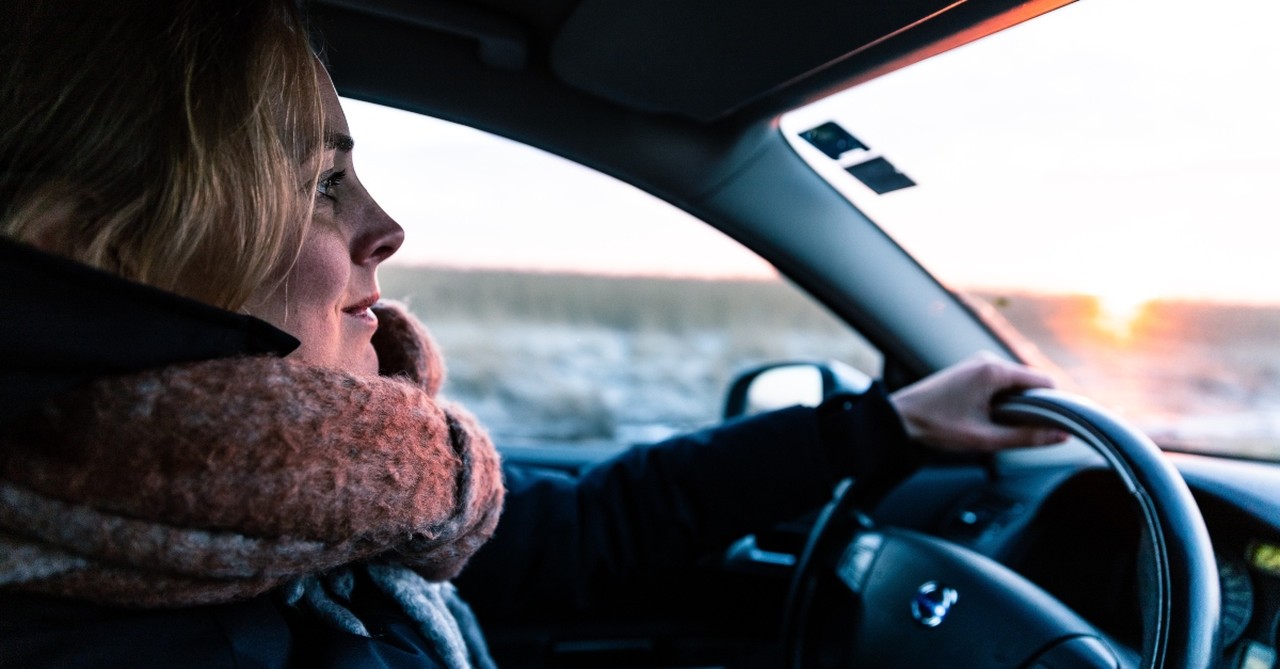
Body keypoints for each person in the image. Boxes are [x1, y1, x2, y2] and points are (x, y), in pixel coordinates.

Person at [0, 1, 1065, 667]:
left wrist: (876, 429)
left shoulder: (298, 511)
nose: (385, 228)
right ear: (90, 250)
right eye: (322, 182)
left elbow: (584, 531)